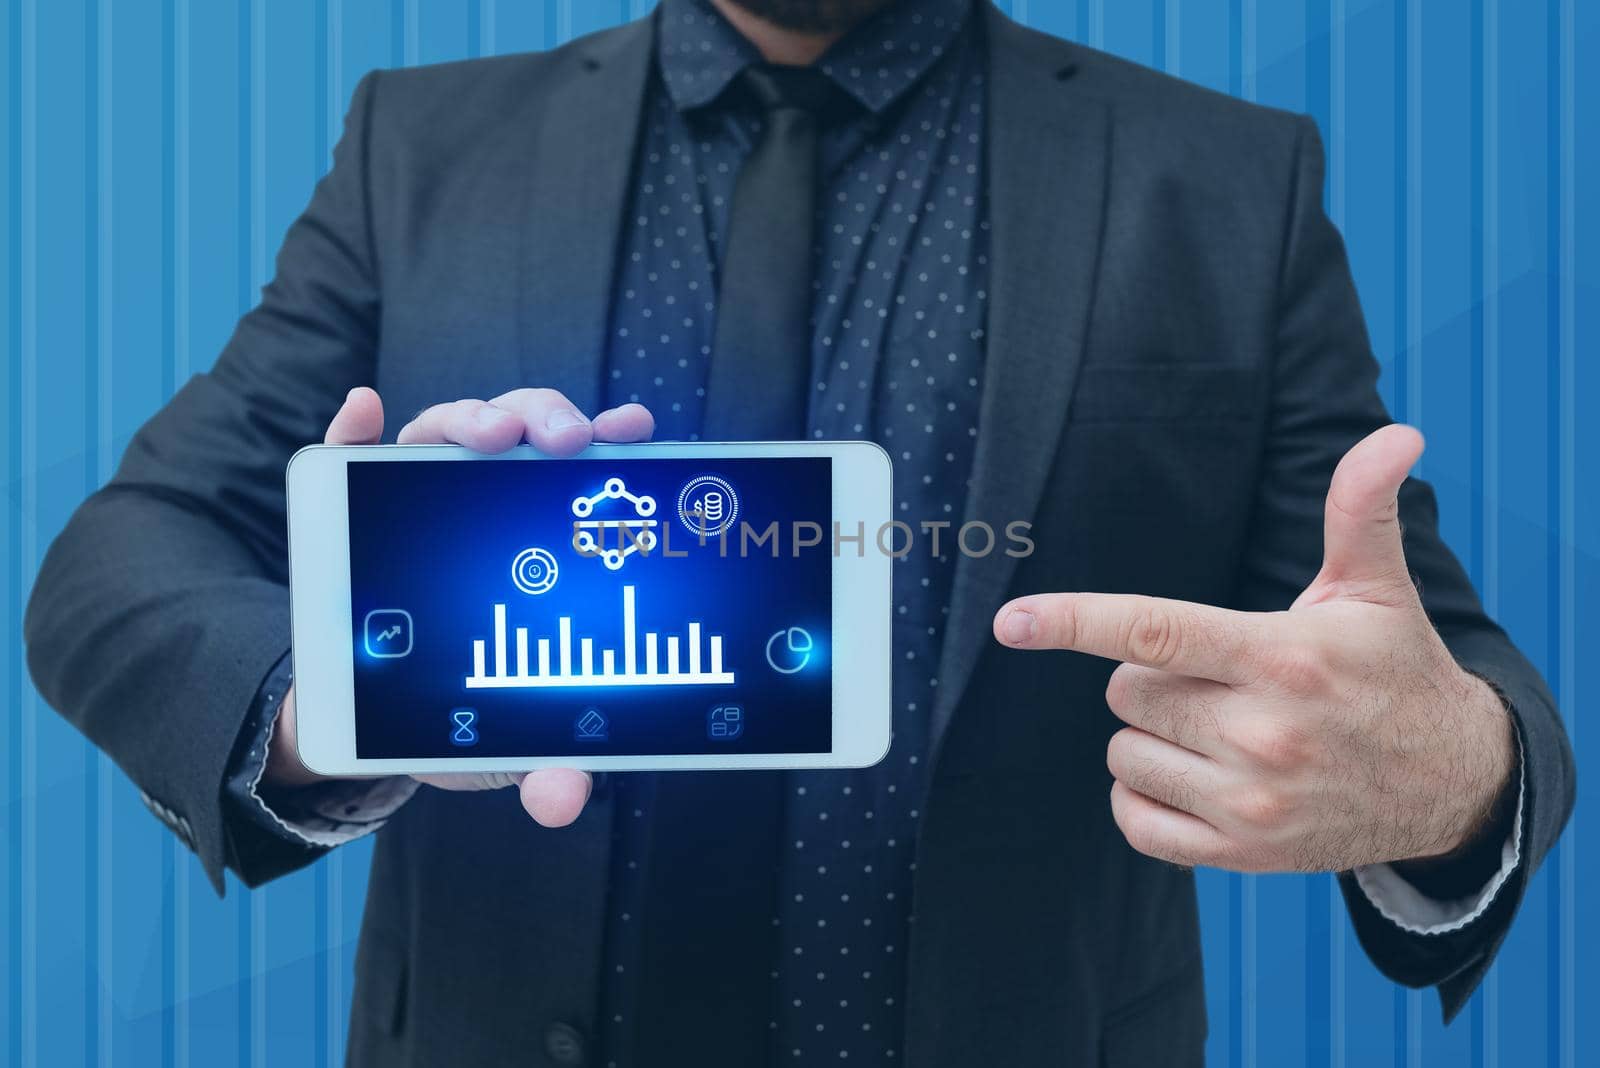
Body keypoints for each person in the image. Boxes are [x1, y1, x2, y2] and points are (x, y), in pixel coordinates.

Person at [23, 0, 1573, 1064]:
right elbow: (122, 555)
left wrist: (1457, 774)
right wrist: (340, 703)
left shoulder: (1226, 181)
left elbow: (1418, 652)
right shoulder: (420, 149)